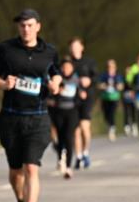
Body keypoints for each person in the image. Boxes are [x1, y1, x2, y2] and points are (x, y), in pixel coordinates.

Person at [0, 9, 62, 202]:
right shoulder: (6, 49)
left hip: (38, 118)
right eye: (22, 25)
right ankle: (21, 201)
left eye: (29, 25)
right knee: (15, 171)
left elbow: (56, 73)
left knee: (31, 167)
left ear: (38, 26)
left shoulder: (49, 51)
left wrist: (56, 84)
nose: (25, 29)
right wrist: (4, 84)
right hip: (11, 118)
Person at [69, 37, 97, 169]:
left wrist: (89, 81)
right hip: (72, 98)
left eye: (76, 46)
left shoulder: (89, 62)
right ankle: (78, 157)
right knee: (76, 130)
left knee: (84, 127)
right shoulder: (68, 63)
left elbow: (96, 78)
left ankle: (85, 153)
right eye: (72, 47)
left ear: (82, 47)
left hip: (87, 98)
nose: (74, 49)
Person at [52, 57, 80, 179]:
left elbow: (81, 95)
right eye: (64, 67)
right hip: (58, 111)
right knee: (60, 138)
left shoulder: (76, 79)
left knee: (69, 137)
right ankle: (60, 157)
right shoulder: (57, 79)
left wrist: (82, 94)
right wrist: (57, 91)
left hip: (72, 112)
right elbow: (50, 95)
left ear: (72, 68)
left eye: (68, 67)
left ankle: (68, 167)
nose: (66, 69)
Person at [97, 59, 124, 141]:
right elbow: (98, 85)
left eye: (112, 66)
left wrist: (117, 86)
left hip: (114, 98)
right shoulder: (103, 75)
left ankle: (112, 129)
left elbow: (121, 86)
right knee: (106, 114)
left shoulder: (118, 76)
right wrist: (104, 86)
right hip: (105, 97)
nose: (110, 68)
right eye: (109, 66)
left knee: (112, 113)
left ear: (115, 67)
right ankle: (109, 126)